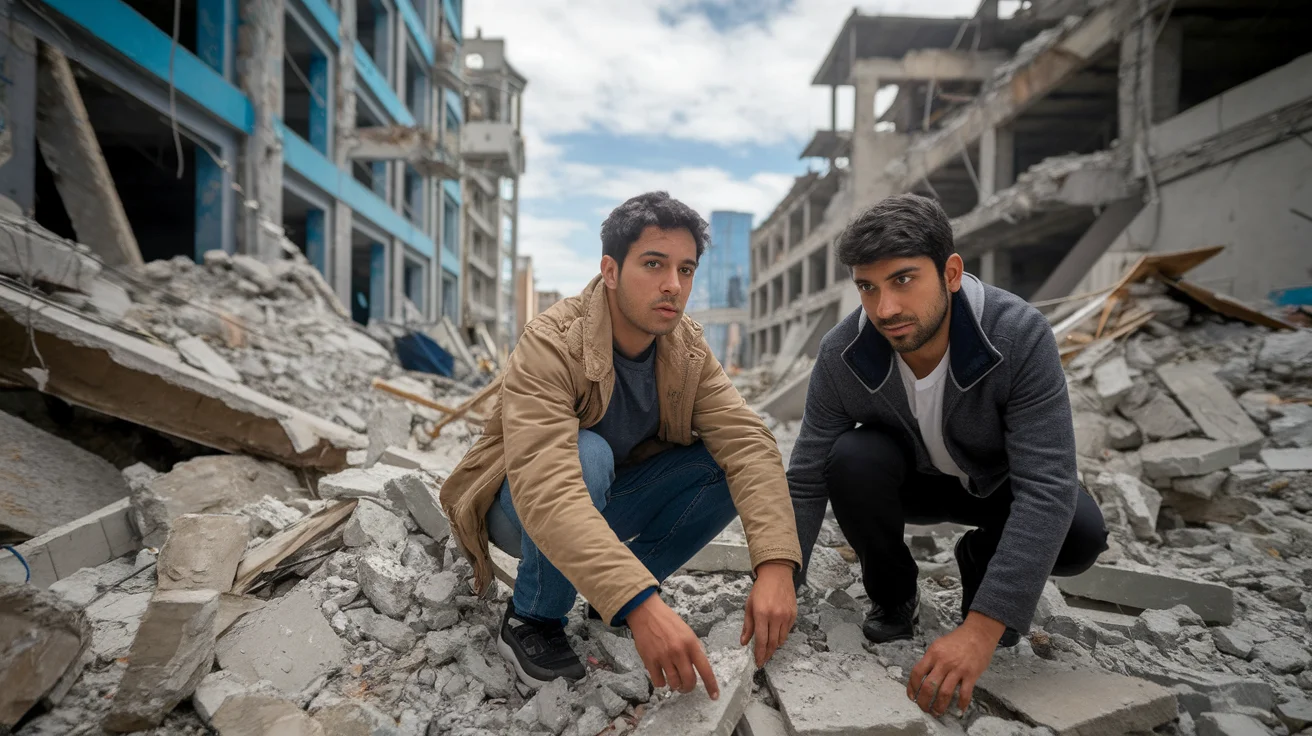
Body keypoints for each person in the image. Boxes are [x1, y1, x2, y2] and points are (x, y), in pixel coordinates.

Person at [440, 191, 804, 698]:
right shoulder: (552, 340)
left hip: (608, 500)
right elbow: (547, 487)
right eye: (654, 264)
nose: (672, 284)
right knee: (587, 453)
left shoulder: (688, 350)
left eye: (685, 269)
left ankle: (607, 598)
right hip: (520, 507)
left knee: (722, 462)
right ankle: (533, 617)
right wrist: (641, 604)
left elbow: (749, 442)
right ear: (610, 271)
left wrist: (776, 565)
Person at [786, 193, 1108, 717]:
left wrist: (983, 627)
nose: (885, 308)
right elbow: (804, 479)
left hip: (997, 487)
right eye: (868, 287)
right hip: (909, 484)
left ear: (951, 273)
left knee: (1080, 535)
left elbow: (1047, 485)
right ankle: (894, 594)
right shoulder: (843, 353)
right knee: (850, 457)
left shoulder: (1017, 334)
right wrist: (780, 577)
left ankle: (981, 562)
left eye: (903, 280)